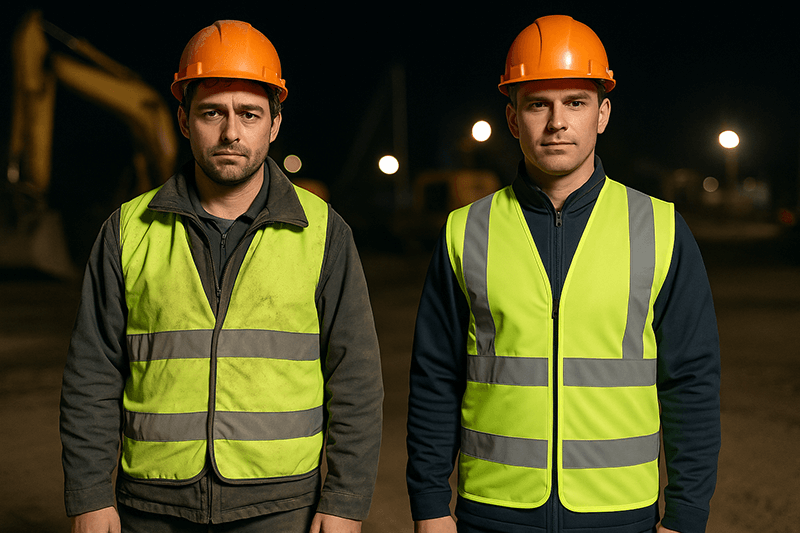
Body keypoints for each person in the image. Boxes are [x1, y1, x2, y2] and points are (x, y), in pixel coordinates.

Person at [60, 20, 383, 533]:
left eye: (249, 114)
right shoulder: (126, 231)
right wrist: (89, 498)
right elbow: (92, 374)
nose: (232, 132)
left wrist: (344, 500)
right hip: (150, 506)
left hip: (281, 508)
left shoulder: (324, 232)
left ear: (274, 125)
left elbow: (356, 377)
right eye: (213, 112)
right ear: (185, 121)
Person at [406, 14, 720, 533]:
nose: (557, 122)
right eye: (538, 104)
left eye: (575, 102)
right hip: (493, 513)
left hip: (620, 515)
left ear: (603, 114)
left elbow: (691, 382)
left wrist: (686, 515)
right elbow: (436, 379)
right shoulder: (466, 230)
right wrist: (430, 505)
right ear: (513, 119)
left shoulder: (660, 227)